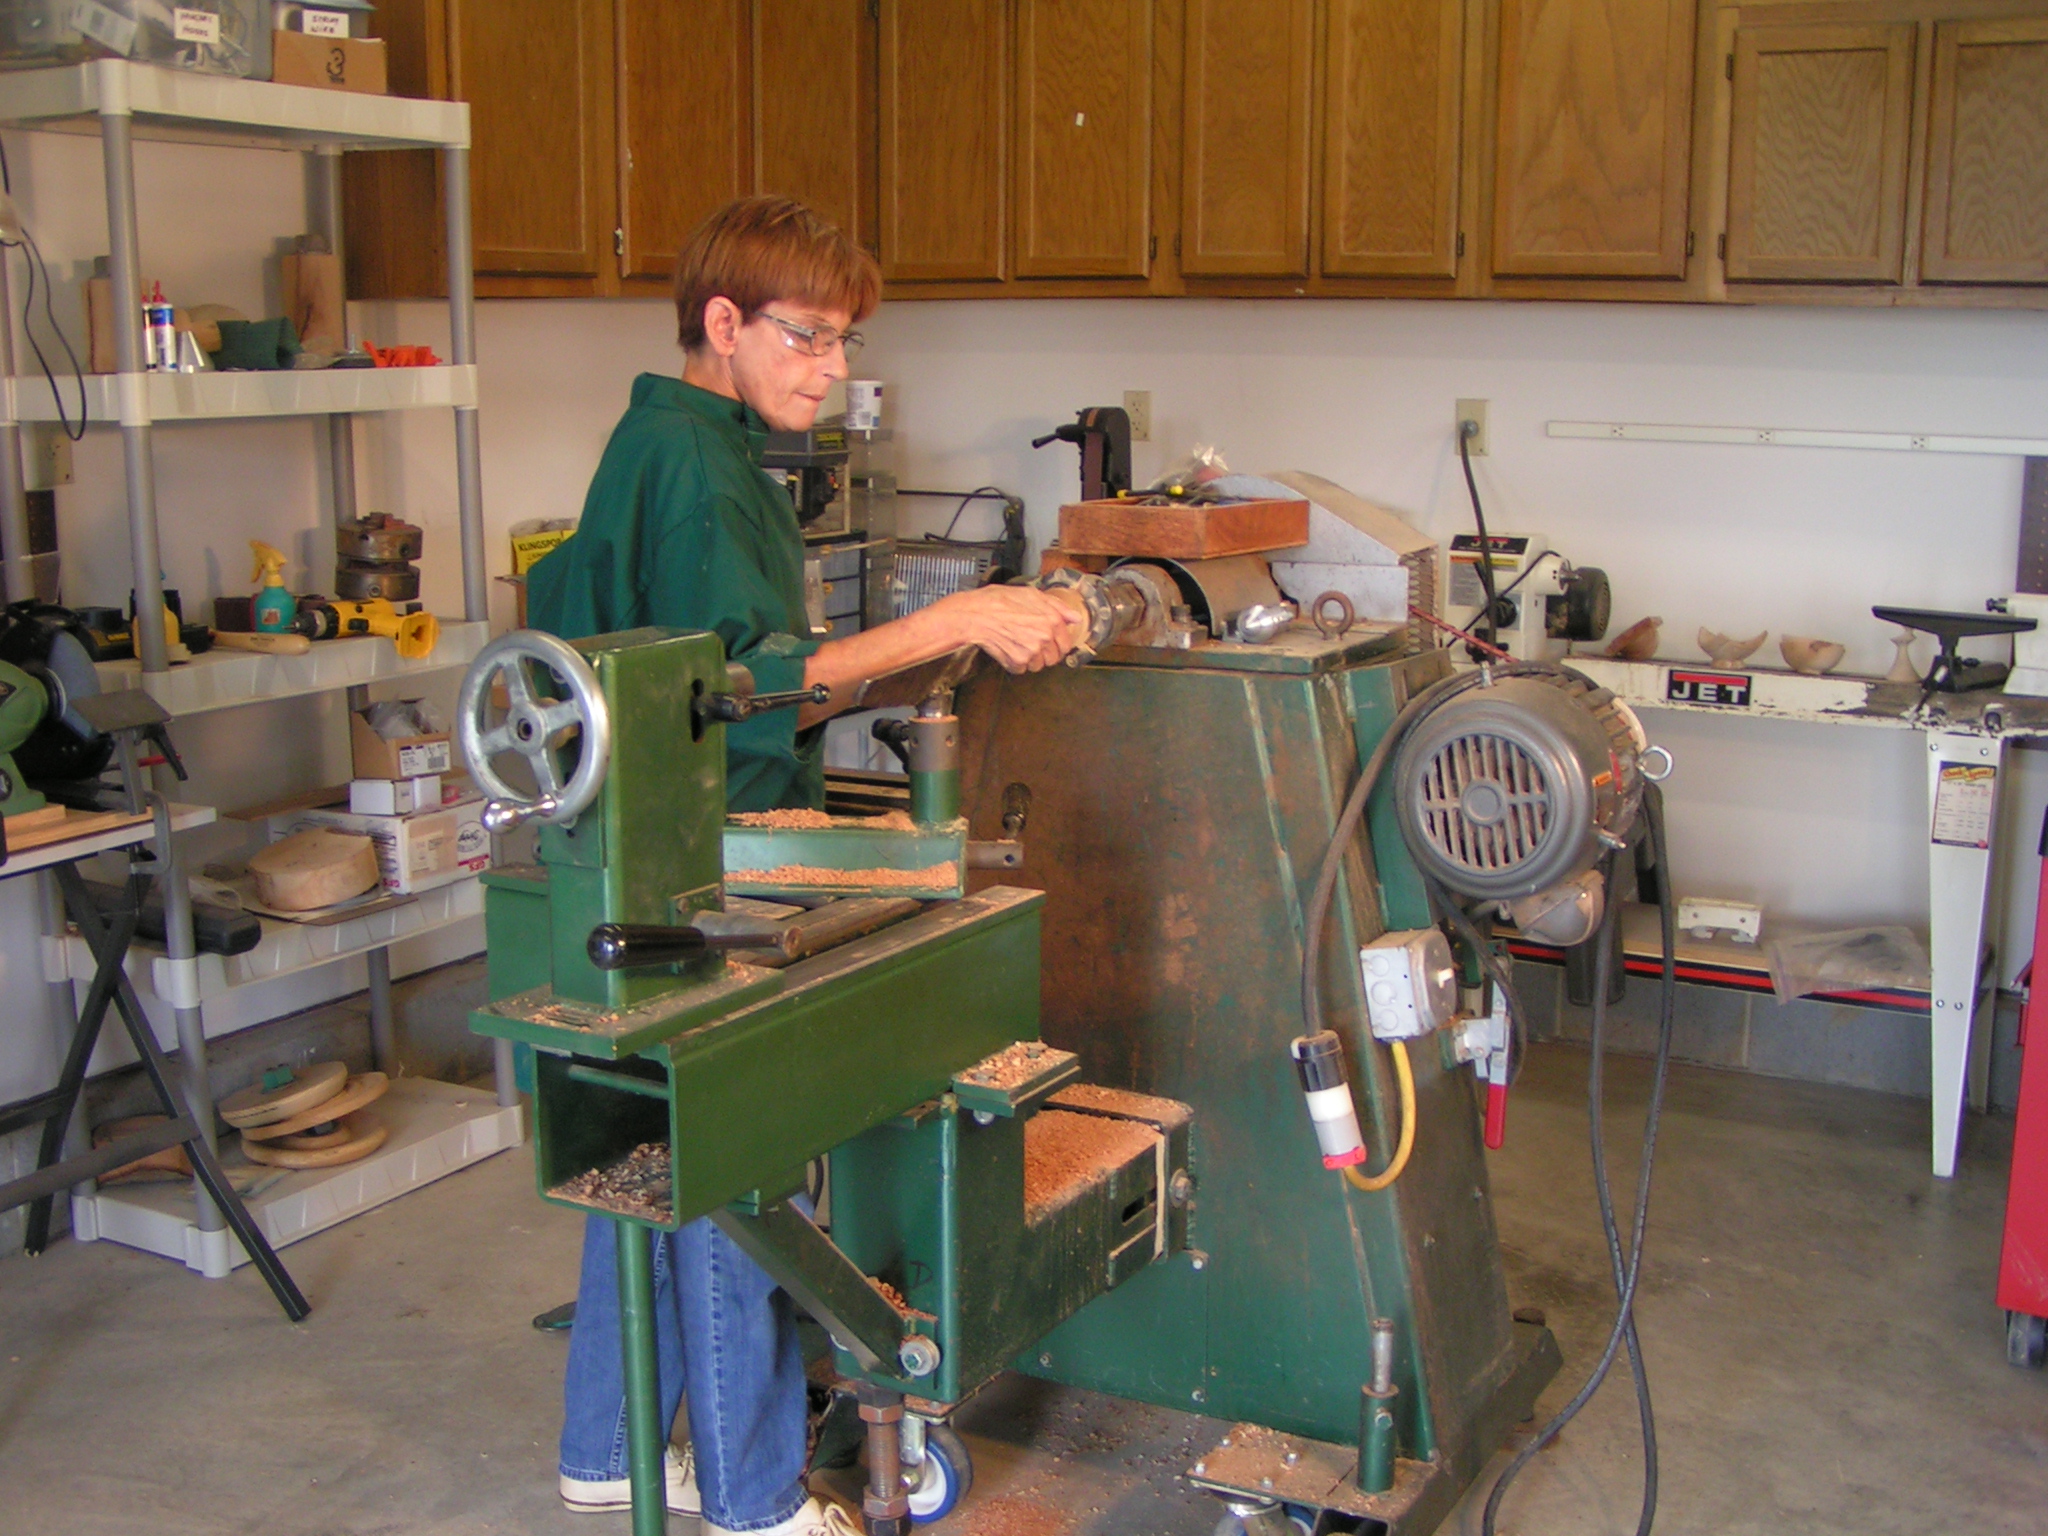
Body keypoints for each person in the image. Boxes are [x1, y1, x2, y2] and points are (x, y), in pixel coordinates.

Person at [524, 197, 1085, 1535]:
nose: (831, 368)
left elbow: (725, 675)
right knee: (740, 1155)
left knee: (650, 1156)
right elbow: (743, 686)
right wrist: (951, 618)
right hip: (709, 862)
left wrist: (924, 645)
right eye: (808, 337)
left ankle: (605, 1448)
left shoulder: (673, 440)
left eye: (842, 342)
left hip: (634, 849)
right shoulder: (699, 467)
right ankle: (757, 1498)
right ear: (723, 322)